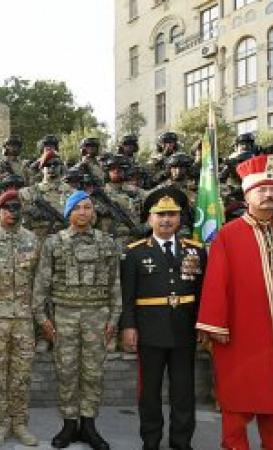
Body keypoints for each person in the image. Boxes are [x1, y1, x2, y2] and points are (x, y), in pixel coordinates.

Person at [120, 187, 207, 450]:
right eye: (160, 215)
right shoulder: (133, 252)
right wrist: (128, 326)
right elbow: (127, 294)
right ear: (149, 219)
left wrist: (204, 324)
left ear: (180, 218)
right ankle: (151, 440)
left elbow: (204, 292)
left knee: (183, 392)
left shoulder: (196, 250)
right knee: (150, 392)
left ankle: (181, 441)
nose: (166, 220)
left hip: (184, 330)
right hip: (150, 330)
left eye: (171, 214)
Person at [196, 154, 273, 449]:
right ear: (247, 194)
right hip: (241, 335)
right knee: (237, 404)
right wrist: (214, 325)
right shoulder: (228, 235)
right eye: (261, 190)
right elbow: (215, 283)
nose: (268, 195)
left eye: (272, 189)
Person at [35, 191, 120, 450]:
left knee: (94, 372)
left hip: (97, 316)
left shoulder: (107, 242)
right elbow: (42, 283)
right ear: (68, 212)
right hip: (64, 316)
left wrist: (114, 317)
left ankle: (89, 424)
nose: (83, 213)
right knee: (67, 371)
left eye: (87, 208)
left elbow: (115, 283)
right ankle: (69, 423)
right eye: (77, 208)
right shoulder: (54, 243)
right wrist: (41, 317)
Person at [0, 190, 41, 447]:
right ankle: (1, 423)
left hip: (24, 318)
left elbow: (39, 281)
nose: (12, 212)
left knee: (22, 373)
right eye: (7, 208)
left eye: (16, 208)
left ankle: (19, 423)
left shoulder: (32, 240)